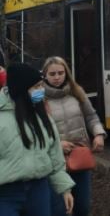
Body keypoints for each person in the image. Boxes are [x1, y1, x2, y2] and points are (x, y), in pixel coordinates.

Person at [0, 63, 75, 216]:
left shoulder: (42, 116)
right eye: (36, 87)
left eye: (41, 85)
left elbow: (54, 156)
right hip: (6, 194)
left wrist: (64, 189)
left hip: (39, 190)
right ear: (22, 90)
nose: (41, 90)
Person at [42, 56, 107, 216]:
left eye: (60, 73)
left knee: (82, 207)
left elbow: (91, 116)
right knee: (59, 209)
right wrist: (58, 143)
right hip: (54, 163)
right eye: (52, 74)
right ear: (45, 75)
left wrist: (98, 133)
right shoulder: (39, 98)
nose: (57, 77)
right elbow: (38, 131)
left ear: (66, 73)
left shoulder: (77, 92)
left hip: (79, 157)